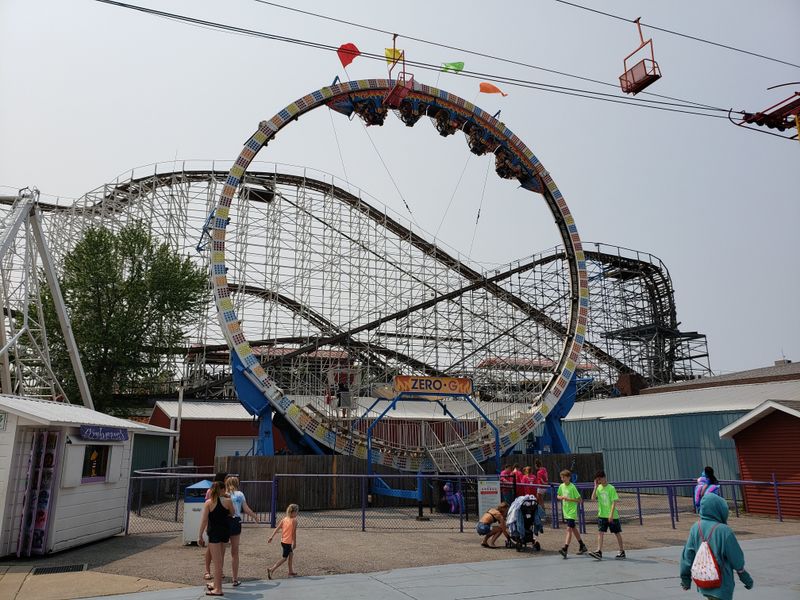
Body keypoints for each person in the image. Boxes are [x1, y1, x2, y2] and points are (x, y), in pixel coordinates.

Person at [680, 493, 754, 599]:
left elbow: (687, 556)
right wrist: (746, 579)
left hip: (703, 581)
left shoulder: (696, 527)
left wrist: (685, 580)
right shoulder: (724, 531)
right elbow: (737, 559)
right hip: (722, 585)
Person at [198, 481, 234, 597]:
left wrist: (200, 535)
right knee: (220, 561)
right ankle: (216, 584)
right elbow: (232, 513)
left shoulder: (209, 503)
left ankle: (218, 589)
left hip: (214, 533)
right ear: (223, 490)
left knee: (217, 562)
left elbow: (204, 520)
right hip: (225, 531)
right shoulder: (228, 501)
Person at [225, 476, 259, 587]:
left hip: (224, 521)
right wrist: (255, 516)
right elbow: (246, 508)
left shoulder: (224, 494)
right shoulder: (240, 494)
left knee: (220, 550)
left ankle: (218, 575)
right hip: (236, 521)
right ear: (236, 483)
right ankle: (235, 579)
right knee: (235, 552)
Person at [588, 470, 625, 560]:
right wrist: (595, 487)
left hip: (612, 515)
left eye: (600, 479)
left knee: (617, 533)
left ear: (604, 477)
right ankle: (599, 551)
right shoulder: (599, 488)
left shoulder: (611, 488)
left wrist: (611, 515)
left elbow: (614, 502)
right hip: (602, 515)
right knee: (600, 532)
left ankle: (622, 551)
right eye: (598, 480)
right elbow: (592, 498)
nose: (599, 481)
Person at [557, 469, 587, 558]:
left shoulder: (572, 487)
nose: (563, 479)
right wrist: (561, 497)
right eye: (561, 477)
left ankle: (565, 549)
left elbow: (580, 500)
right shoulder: (561, 486)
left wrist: (570, 499)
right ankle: (582, 545)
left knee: (569, 529)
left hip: (572, 512)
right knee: (573, 528)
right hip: (565, 511)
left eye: (564, 477)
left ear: (569, 477)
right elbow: (558, 495)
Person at [203, 472, 228, 582]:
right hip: (212, 523)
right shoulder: (210, 491)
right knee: (210, 549)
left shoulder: (225, 492)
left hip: (222, 525)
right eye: (226, 478)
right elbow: (208, 506)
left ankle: (219, 570)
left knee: (221, 549)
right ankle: (207, 570)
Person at [268, 504, 299, 579]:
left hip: (283, 542)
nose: (297, 513)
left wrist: (271, 537)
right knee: (284, 558)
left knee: (291, 554)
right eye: (296, 512)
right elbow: (293, 533)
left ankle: (290, 572)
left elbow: (277, 528)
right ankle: (272, 569)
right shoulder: (294, 521)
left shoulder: (284, 519)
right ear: (293, 512)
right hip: (288, 543)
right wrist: (294, 543)